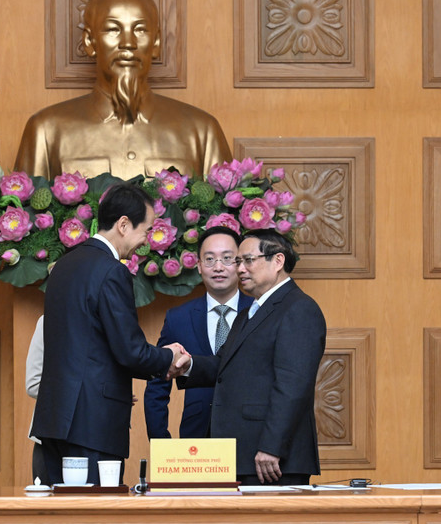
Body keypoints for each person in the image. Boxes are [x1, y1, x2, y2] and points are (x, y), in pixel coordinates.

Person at [31, 182, 190, 485]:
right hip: (93, 424)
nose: (146, 241)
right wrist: (168, 356)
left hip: (54, 420)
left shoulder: (63, 265)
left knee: (59, 523)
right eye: (146, 230)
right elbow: (129, 350)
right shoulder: (111, 270)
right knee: (94, 522)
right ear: (123, 224)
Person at [14, 0, 231, 180]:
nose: (128, 43)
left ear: (155, 43)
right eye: (113, 29)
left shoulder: (202, 131)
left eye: (140, 30)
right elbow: (26, 215)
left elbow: (225, 220)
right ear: (89, 41)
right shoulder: (46, 130)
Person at [177, 229, 327, 485]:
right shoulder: (252, 311)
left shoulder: (299, 308)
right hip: (244, 454)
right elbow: (225, 366)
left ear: (278, 261)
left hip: (272, 459)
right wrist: (187, 365)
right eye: (239, 262)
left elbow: (293, 386)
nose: (240, 270)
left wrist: (272, 447)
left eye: (247, 260)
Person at [143, 227, 252, 439]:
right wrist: (161, 442)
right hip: (197, 439)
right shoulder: (178, 318)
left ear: (240, 264)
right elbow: (158, 382)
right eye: (210, 259)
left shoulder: (259, 312)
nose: (218, 267)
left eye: (227, 258)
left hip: (249, 436)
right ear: (199, 267)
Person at [25, 315, 48, 484]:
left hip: (98, 441)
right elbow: (33, 384)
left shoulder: (107, 319)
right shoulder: (48, 321)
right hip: (49, 440)